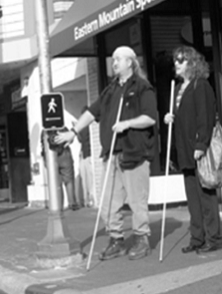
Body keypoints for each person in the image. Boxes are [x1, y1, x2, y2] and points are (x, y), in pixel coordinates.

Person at [54, 46, 157, 261]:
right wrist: (73, 132)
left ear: (130, 62)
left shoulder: (142, 87)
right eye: (113, 59)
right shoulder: (110, 90)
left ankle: (141, 238)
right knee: (108, 201)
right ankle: (116, 239)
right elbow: (92, 112)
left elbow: (149, 118)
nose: (114, 63)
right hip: (112, 154)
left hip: (135, 153)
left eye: (118, 59)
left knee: (137, 200)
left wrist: (127, 124)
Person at [164, 46, 221, 254]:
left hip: (198, 150)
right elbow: (184, 118)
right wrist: (170, 118)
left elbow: (205, 117)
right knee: (193, 198)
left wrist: (201, 145)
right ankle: (197, 237)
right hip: (185, 151)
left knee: (206, 195)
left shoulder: (200, 85)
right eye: (175, 60)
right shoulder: (179, 88)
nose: (176, 64)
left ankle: (214, 237)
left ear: (192, 62)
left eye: (181, 60)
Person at [41, 127, 80, 211]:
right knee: (69, 180)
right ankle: (72, 203)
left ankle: (59, 205)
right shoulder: (62, 127)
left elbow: (43, 145)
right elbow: (70, 140)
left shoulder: (45, 131)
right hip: (65, 154)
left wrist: (44, 159)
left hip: (51, 157)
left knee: (56, 183)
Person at [78, 106, 94, 208]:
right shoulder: (90, 126)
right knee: (89, 179)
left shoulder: (84, 127)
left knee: (85, 179)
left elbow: (80, 139)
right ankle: (89, 199)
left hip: (86, 154)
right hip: (87, 153)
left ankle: (86, 200)